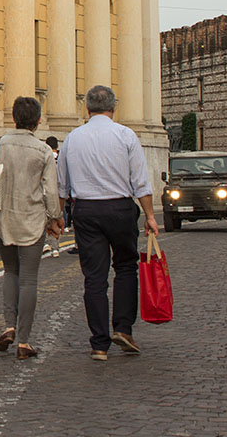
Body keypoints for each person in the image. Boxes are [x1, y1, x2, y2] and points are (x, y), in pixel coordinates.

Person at [58, 85, 159, 362]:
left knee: (94, 277)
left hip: (86, 210)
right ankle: (123, 329)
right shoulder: (126, 135)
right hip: (120, 207)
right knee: (126, 268)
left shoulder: (72, 138)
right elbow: (141, 181)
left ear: (86, 109)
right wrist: (149, 215)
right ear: (114, 108)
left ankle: (99, 344)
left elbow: (62, 186)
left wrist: (58, 216)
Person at [0, 97, 62, 360]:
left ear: (14, 118)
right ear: (37, 120)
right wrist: (55, 218)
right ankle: (24, 341)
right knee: (29, 280)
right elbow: (51, 191)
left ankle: (9, 326)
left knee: (10, 272)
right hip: (32, 220)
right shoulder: (44, 150)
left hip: (3, 220)